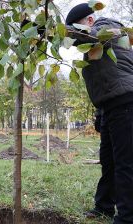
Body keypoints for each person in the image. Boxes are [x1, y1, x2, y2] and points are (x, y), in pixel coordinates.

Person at [66, 3, 133, 223]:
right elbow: (104, 80)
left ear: (90, 21)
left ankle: (126, 217)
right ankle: (104, 206)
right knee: (108, 161)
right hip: (110, 107)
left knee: (125, 163)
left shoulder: (108, 30)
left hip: (126, 104)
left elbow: (84, 36)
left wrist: (49, 31)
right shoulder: (95, 44)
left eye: (76, 27)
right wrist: (99, 114)